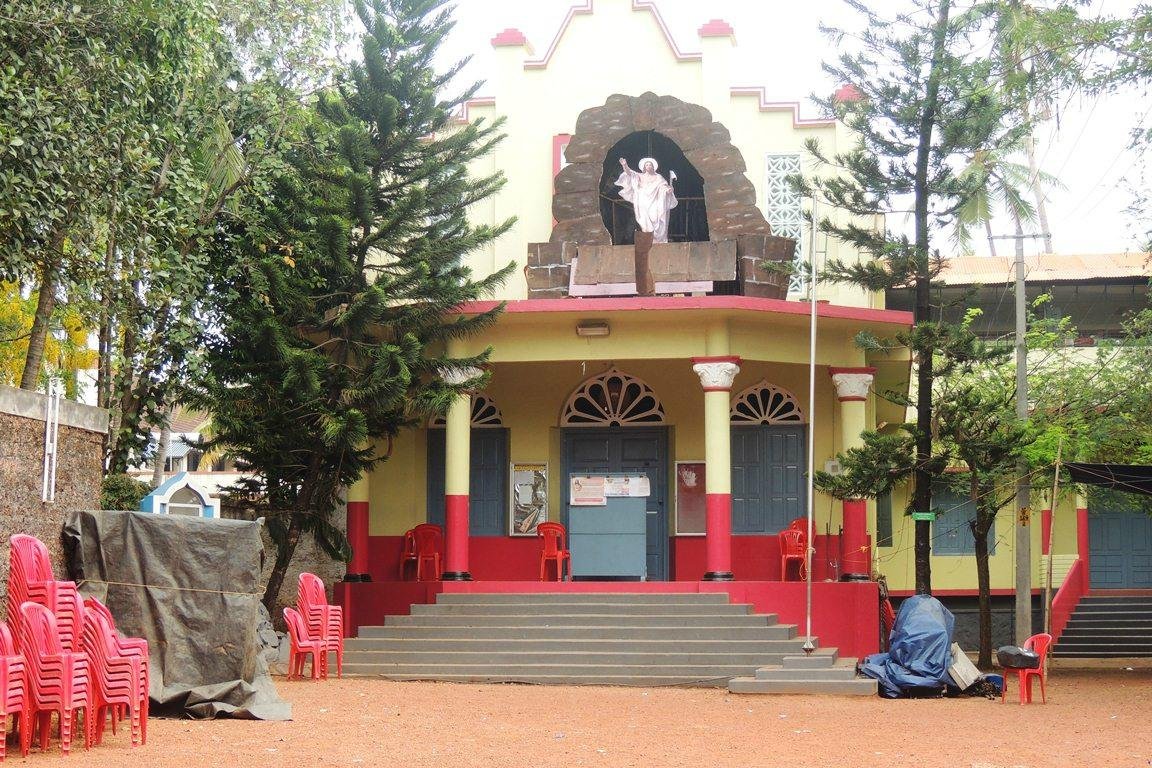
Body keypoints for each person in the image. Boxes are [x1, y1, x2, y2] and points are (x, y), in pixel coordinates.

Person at [615, 157, 677, 243]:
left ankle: (657, 239)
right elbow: (629, 173)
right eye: (646, 165)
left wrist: (668, 190)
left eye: (650, 164)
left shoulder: (658, 177)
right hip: (643, 201)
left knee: (656, 217)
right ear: (644, 167)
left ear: (653, 166)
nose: (648, 166)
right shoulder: (640, 176)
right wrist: (624, 165)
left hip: (655, 201)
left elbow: (664, 187)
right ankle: (649, 238)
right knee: (645, 221)